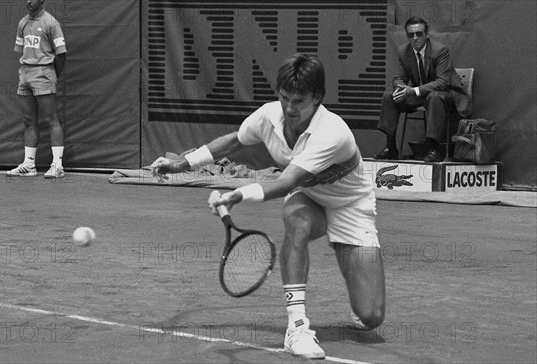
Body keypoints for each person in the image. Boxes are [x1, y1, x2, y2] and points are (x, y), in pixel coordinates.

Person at [152, 54, 385, 359]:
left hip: (351, 206)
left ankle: (347, 255)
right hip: (310, 199)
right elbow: (234, 141)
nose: (289, 108)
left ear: (317, 98)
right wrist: (183, 163)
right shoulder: (268, 116)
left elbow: (285, 183)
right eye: (284, 97)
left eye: (299, 101)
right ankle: (297, 328)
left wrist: (237, 195)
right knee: (297, 222)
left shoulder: (333, 132)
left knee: (371, 317)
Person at [374, 16, 471, 163]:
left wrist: (412, 91)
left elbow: (442, 83)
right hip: (423, 94)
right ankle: (391, 147)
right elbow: (399, 77)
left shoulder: (440, 50)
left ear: (426, 34)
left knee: (434, 96)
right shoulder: (404, 51)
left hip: (448, 94)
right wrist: (400, 88)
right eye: (411, 35)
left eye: (419, 34)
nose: (415, 38)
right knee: (389, 95)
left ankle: (434, 149)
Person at [7, 0, 67, 178]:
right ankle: (29, 165)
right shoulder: (23, 23)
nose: (28, 1)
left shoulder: (51, 23)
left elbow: (61, 53)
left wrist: (52, 73)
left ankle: (58, 166)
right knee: (28, 121)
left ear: (41, 0)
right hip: (25, 74)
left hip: (44, 73)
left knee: (51, 119)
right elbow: (23, 50)